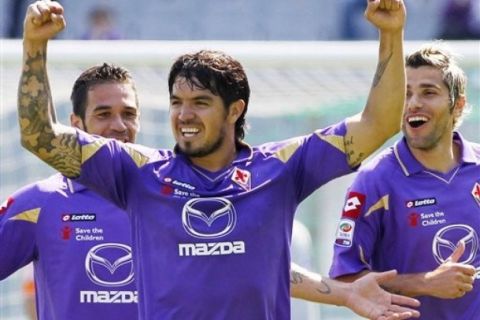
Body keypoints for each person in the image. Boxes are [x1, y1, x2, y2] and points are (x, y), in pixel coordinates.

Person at [17, 1, 421, 319]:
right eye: (176, 102)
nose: (183, 115)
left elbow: (377, 123)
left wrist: (391, 34)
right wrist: (35, 47)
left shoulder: (281, 168)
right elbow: (41, 136)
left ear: (234, 111)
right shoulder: (136, 172)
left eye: (200, 103)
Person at [329, 43, 479, 319]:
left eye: (428, 92)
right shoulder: (374, 181)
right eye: (406, 93)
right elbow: (344, 278)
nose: (413, 103)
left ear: (457, 105)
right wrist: (425, 283)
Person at [0, 63, 140, 319]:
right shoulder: (39, 203)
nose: (119, 126)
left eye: (129, 114)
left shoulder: (166, 197)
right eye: (103, 114)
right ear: (76, 124)